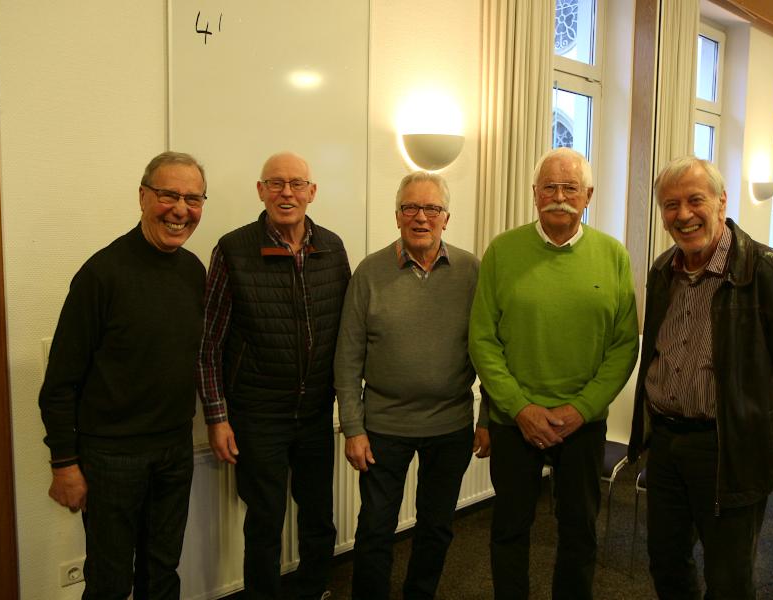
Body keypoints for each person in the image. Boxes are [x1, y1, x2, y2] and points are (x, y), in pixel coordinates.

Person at [628, 156, 773, 599]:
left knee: (729, 578)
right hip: (665, 444)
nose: (683, 215)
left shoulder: (770, 274)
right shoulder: (664, 271)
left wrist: (758, 416)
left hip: (730, 449)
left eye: (694, 200)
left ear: (721, 202)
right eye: (670, 205)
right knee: (666, 563)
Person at [469, 147, 639, 599]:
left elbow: (624, 345)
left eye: (570, 188)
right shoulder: (503, 252)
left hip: (582, 423)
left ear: (588, 196)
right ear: (534, 194)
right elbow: (483, 340)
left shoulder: (613, 255)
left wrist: (581, 409)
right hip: (513, 421)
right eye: (550, 187)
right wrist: (520, 408)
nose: (559, 196)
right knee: (509, 528)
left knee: (580, 530)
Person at [39, 151, 208, 599]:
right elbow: (59, 383)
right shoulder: (102, 274)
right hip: (112, 458)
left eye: (193, 198)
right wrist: (64, 464)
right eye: (168, 194)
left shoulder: (194, 272)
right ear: (142, 196)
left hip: (174, 450)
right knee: (110, 582)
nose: (180, 209)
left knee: (162, 572)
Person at [197, 152, 350, 599]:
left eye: (297, 184)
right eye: (276, 183)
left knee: (319, 516)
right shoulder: (233, 249)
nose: (287, 193)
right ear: (261, 190)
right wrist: (216, 416)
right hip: (258, 413)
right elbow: (209, 342)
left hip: (316, 412)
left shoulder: (332, 246)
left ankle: (314, 590)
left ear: (312, 192)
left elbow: (348, 330)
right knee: (263, 520)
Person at [334, 171, 490, 600]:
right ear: (397, 216)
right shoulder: (369, 272)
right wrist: (353, 427)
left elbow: (490, 350)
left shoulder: (471, 271)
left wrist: (487, 415)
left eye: (432, 209)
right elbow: (347, 356)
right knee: (375, 528)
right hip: (383, 426)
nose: (421, 217)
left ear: (446, 217)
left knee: (437, 526)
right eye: (411, 208)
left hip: (450, 424)